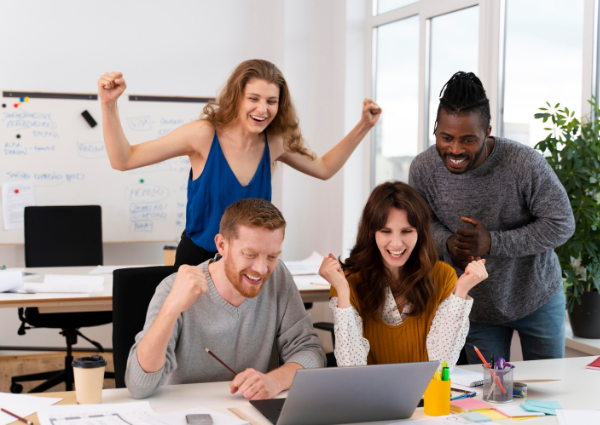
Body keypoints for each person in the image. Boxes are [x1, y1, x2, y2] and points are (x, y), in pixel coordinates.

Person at [97, 59, 381, 266]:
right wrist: (109, 104)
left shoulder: (274, 143)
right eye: (253, 98)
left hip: (250, 266)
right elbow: (124, 159)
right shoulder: (203, 135)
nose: (262, 109)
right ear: (236, 97)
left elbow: (324, 168)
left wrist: (364, 126)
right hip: (199, 262)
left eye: (271, 101)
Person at [409, 71, 575, 363]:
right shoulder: (423, 168)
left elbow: (561, 224)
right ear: (436, 129)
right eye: (446, 137)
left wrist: (492, 243)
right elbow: (420, 225)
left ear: (487, 132)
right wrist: (447, 244)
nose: (455, 150)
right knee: (488, 397)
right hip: (477, 306)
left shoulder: (525, 163)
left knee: (550, 390)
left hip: (537, 297)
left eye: (468, 140)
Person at [125, 198, 325, 399]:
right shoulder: (174, 287)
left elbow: (311, 352)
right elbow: (139, 386)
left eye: (272, 257)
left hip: (252, 410)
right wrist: (171, 308)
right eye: (250, 254)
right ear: (222, 245)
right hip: (187, 412)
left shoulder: (278, 276)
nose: (262, 269)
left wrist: (275, 381)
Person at [318, 181, 488, 367]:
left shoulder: (443, 275)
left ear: (420, 233)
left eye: (406, 231)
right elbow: (350, 367)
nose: (397, 244)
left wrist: (461, 292)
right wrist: (342, 290)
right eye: (385, 231)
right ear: (372, 233)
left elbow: (442, 362)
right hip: (372, 393)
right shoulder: (349, 280)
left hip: (426, 393)